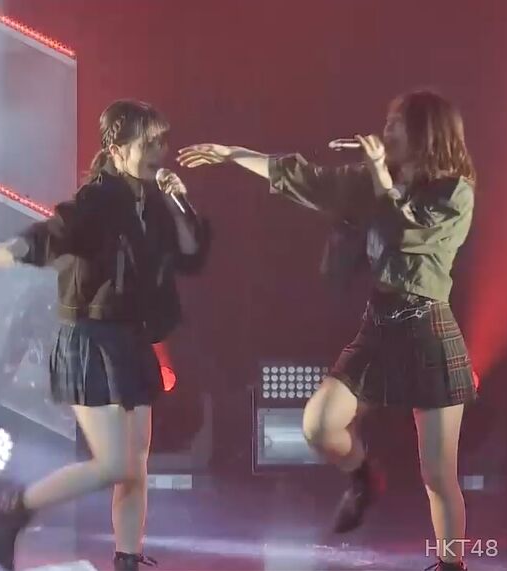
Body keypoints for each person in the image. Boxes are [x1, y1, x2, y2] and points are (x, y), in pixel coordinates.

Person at [178, 90, 476, 571]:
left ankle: (451, 564)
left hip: (428, 328)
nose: (387, 129)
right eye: (388, 121)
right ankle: (364, 476)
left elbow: (408, 232)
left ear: (426, 133)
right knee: (318, 425)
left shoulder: (454, 192)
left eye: (397, 123)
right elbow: (305, 178)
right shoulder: (372, 180)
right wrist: (234, 154)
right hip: (380, 326)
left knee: (438, 475)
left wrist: (379, 175)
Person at [0, 100, 211, 571]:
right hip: (91, 340)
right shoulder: (96, 201)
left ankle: (127, 558)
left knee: (135, 465)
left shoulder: (155, 204)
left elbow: (191, 255)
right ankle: (11, 513)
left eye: (162, 142)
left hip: (133, 340)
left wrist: (179, 202)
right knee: (113, 464)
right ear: (117, 148)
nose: (159, 151)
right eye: (148, 142)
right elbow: (45, 238)